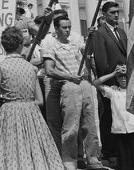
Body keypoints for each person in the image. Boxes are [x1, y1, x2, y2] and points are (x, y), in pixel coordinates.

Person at [0, 26, 63, 170]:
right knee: (35, 153)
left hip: (10, 113)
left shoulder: (0, 67)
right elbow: (40, 101)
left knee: (9, 153)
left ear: (3, 46)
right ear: (20, 45)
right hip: (32, 114)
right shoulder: (31, 68)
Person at [42, 16, 103, 170]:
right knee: (71, 124)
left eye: (69, 27)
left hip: (82, 83)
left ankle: (93, 157)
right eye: (64, 27)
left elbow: (88, 51)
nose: (68, 30)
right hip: (67, 85)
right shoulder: (51, 46)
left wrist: (91, 37)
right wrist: (68, 76)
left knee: (89, 122)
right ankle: (69, 159)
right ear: (56, 29)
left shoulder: (74, 44)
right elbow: (49, 70)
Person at [94, 64, 134, 170]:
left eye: (126, 76)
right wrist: (114, 73)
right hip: (121, 131)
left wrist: (131, 71)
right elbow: (96, 83)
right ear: (117, 79)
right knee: (125, 162)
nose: (123, 79)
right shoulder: (113, 91)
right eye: (120, 77)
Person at [93, 1, 127, 166]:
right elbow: (101, 62)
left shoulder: (121, 32)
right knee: (108, 116)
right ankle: (108, 151)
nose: (116, 15)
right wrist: (111, 79)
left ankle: (121, 150)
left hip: (124, 82)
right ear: (104, 14)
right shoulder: (100, 33)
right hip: (109, 84)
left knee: (122, 115)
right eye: (112, 12)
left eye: (117, 12)